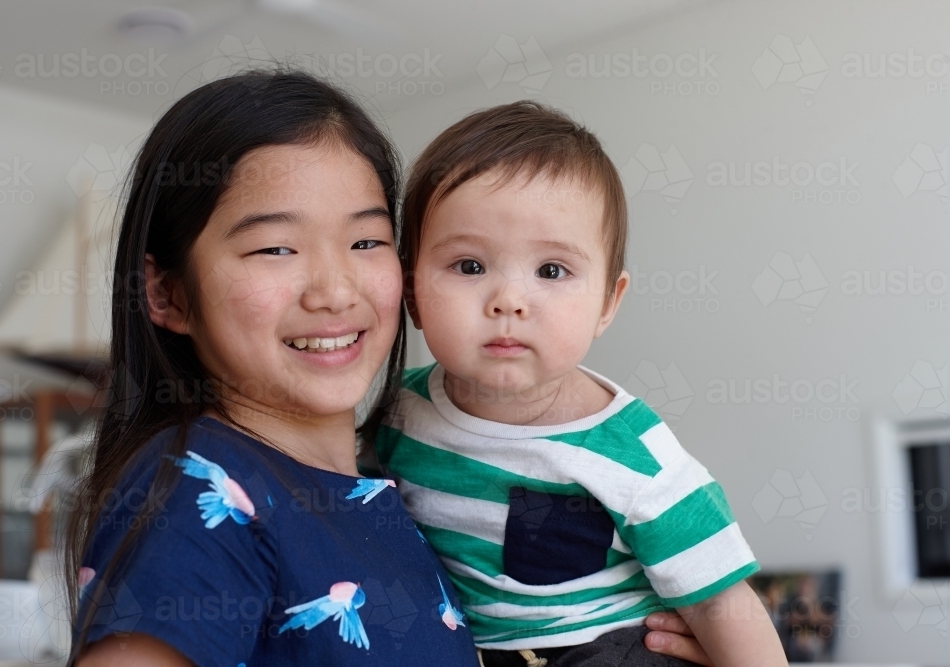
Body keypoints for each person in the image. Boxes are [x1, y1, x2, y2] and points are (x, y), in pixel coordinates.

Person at [65, 69, 715, 667]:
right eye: (275, 247)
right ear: (168, 292)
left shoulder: (397, 485)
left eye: (366, 241)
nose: (334, 289)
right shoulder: (200, 494)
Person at [374, 101, 788, 666]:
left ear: (606, 304)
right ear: (413, 292)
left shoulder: (636, 456)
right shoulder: (397, 414)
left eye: (552, 270)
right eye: (469, 265)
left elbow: (722, 603)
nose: (509, 301)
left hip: (608, 648)